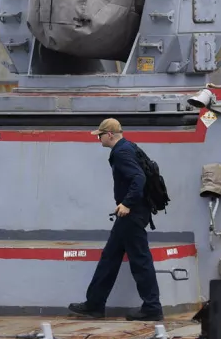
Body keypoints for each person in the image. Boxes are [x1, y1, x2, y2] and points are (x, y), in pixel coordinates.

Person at [67, 118, 163, 322]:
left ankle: (152, 307)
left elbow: (139, 178)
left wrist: (127, 203)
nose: (98, 139)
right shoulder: (129, 147)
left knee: (140, 260)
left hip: (131, 214)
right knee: (109, 258)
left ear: (109, 134)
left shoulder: (120, 152)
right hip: (133, 213)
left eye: (100, 135)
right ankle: (94, 304)